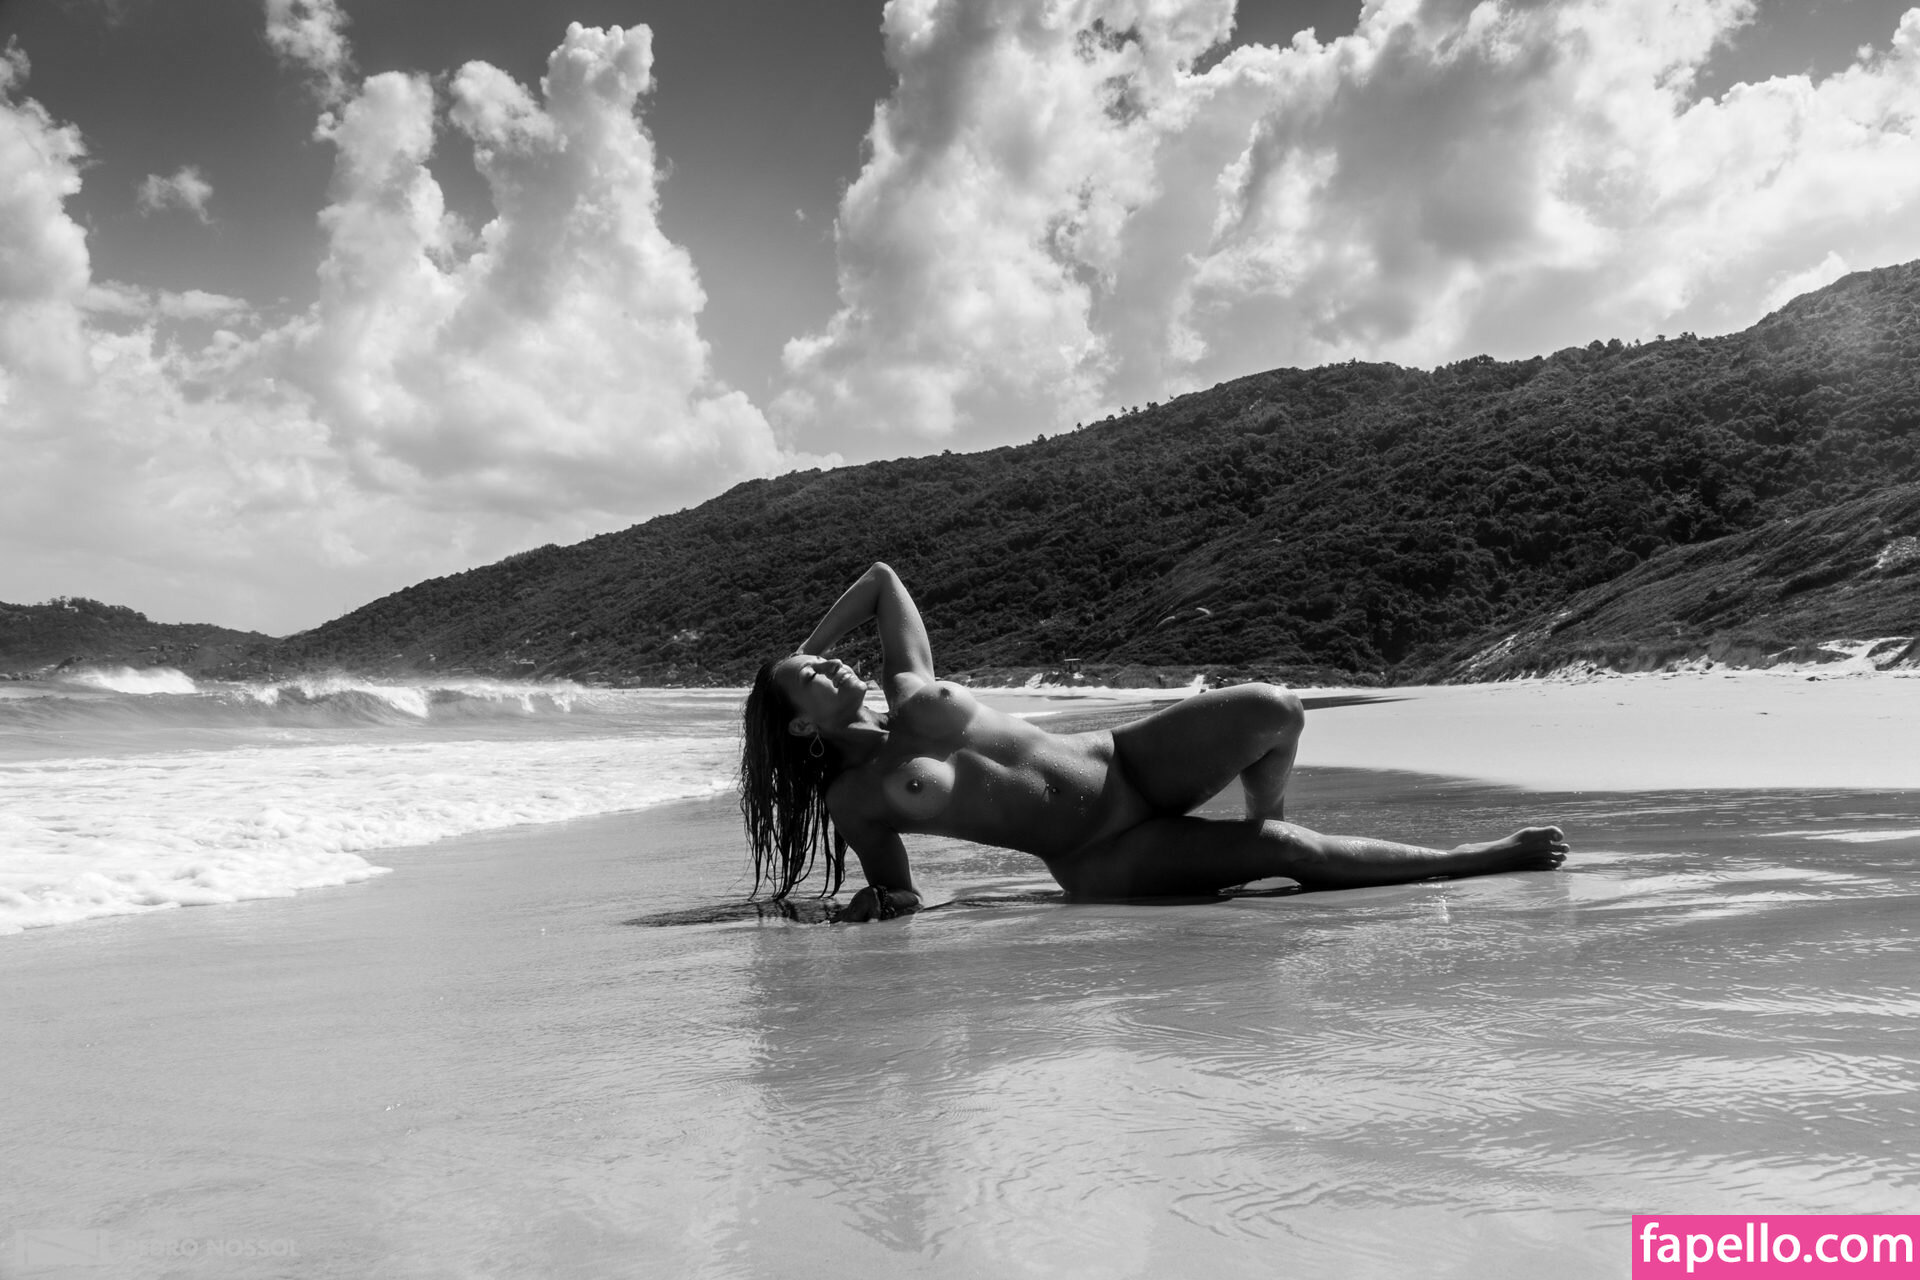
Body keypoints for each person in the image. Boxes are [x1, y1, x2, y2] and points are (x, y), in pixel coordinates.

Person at [739, 563, 1567, 922]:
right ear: (801, 725)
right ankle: (1480, 857)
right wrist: (875, 908)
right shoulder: (855, 796)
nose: (833, 665)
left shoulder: (911, 690)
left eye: (827, 658)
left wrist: (796, 654)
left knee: (1275, 708)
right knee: (1285, 855)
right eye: (813, 677)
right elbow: (900, 892)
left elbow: (882, 579)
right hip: (1102, 856)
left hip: (1124, 760)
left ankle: (1262, 816)